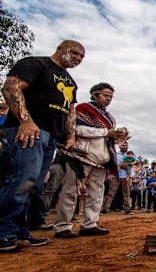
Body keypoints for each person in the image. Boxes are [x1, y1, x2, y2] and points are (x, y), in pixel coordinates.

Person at [0, 40, 84, 251]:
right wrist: (26, 122)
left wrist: (70, 137)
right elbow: (10, 87)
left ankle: (21, 233)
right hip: (30, 132)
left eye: (82, 57)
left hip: (52, 137)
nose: (78, 58)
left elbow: (70, 111)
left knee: (34, 185)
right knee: (22, 179)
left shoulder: (71, 82)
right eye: (75, 53)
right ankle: (3, 232)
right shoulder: (36, 64)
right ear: (60, 49)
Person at [54, 82, 125, 238]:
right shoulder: (82, 109)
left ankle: (90, 224)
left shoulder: (109, 117)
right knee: (71, 190)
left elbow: (107, 137)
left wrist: (118, 138)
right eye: (106, 95)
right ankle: (62, 226)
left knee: (97, 192)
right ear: (95, 94)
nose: (109, 99)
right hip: (81, 155)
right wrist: (106, 132)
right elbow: (75, 129)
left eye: (111, 97)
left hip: (101, 159)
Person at [101, 141, 132, 215]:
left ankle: (128, 209)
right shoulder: (116, 155)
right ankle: (105, 209)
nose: (125, 146)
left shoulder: (131, 155)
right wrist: (110, 174)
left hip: (126, 177)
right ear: (119, 146)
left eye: (126, 145)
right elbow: (111, 164)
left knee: (126, 193)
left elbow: (133, 165)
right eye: (123, 145)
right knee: (111, 193)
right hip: (116, 176)